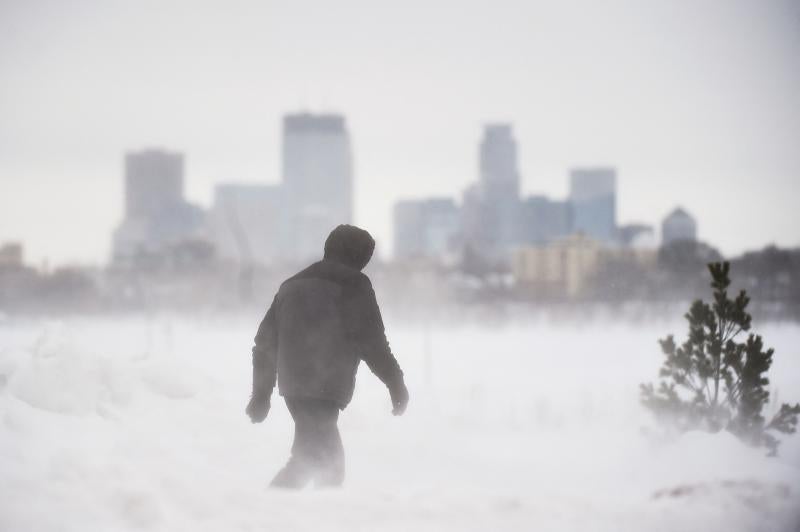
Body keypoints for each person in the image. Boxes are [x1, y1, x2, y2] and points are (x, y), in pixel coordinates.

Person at [245, 224, 409, 488]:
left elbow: (264, 344)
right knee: (325, 465)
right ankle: (272, 515)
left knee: (311, 460)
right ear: (358, 256)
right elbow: (372, 342)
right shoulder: (354, 283)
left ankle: (286, 515)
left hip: (295, 389)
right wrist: (395, 383)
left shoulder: (291, 285)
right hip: (324, 387)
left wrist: (261, 395)